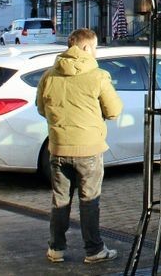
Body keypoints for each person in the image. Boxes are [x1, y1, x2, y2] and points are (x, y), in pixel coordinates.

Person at [36, 28, 122, 264]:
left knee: (60, 199)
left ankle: (56, 248)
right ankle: (94, 250)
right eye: (94, 47)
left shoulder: (49, 76)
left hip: (58, 147)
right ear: (85, 48)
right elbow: (114, 111)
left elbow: (41, 108)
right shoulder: (98, 76)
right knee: (89, 201)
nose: (95, 52)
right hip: (89, 149)